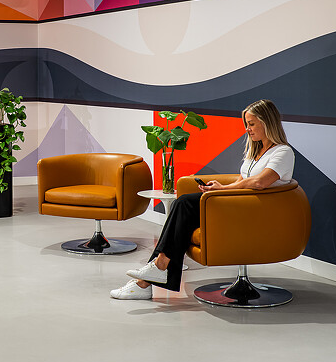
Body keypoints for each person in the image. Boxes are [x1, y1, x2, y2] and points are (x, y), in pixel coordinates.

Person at [110, 99, 295, 300]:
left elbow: (259, 182)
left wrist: (223, 189)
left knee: (185, 204)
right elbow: (243, 179)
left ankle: (153, 273)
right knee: (183, 212)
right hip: (240, 206)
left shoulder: (283, 152)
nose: (247, 129)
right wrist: (218, 188)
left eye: (251, 124)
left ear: (267, 122)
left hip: (255, 214)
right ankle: (150, 276)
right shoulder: (256, 151)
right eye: (246, 124)